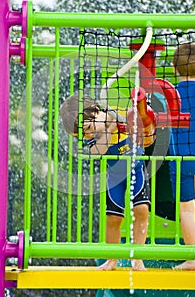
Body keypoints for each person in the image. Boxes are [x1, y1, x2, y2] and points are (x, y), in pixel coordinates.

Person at [60, 94, 150, 271]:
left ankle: (137, 257)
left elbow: (143, 131)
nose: (87, 134)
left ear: (96, 110)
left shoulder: (120, 114)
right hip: (116, 178)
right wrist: (108, 130)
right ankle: (112, 259)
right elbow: (97, 151)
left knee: (141, 210)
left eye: (86, 128)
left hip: (136, 171)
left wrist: (115, 120)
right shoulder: (96, 134)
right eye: (82, 134)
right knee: (113, 218)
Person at [169, 42, 195, 270]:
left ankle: (192, 259)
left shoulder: (170, 93)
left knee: (185, 210)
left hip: (181, 157)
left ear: (175, 69)